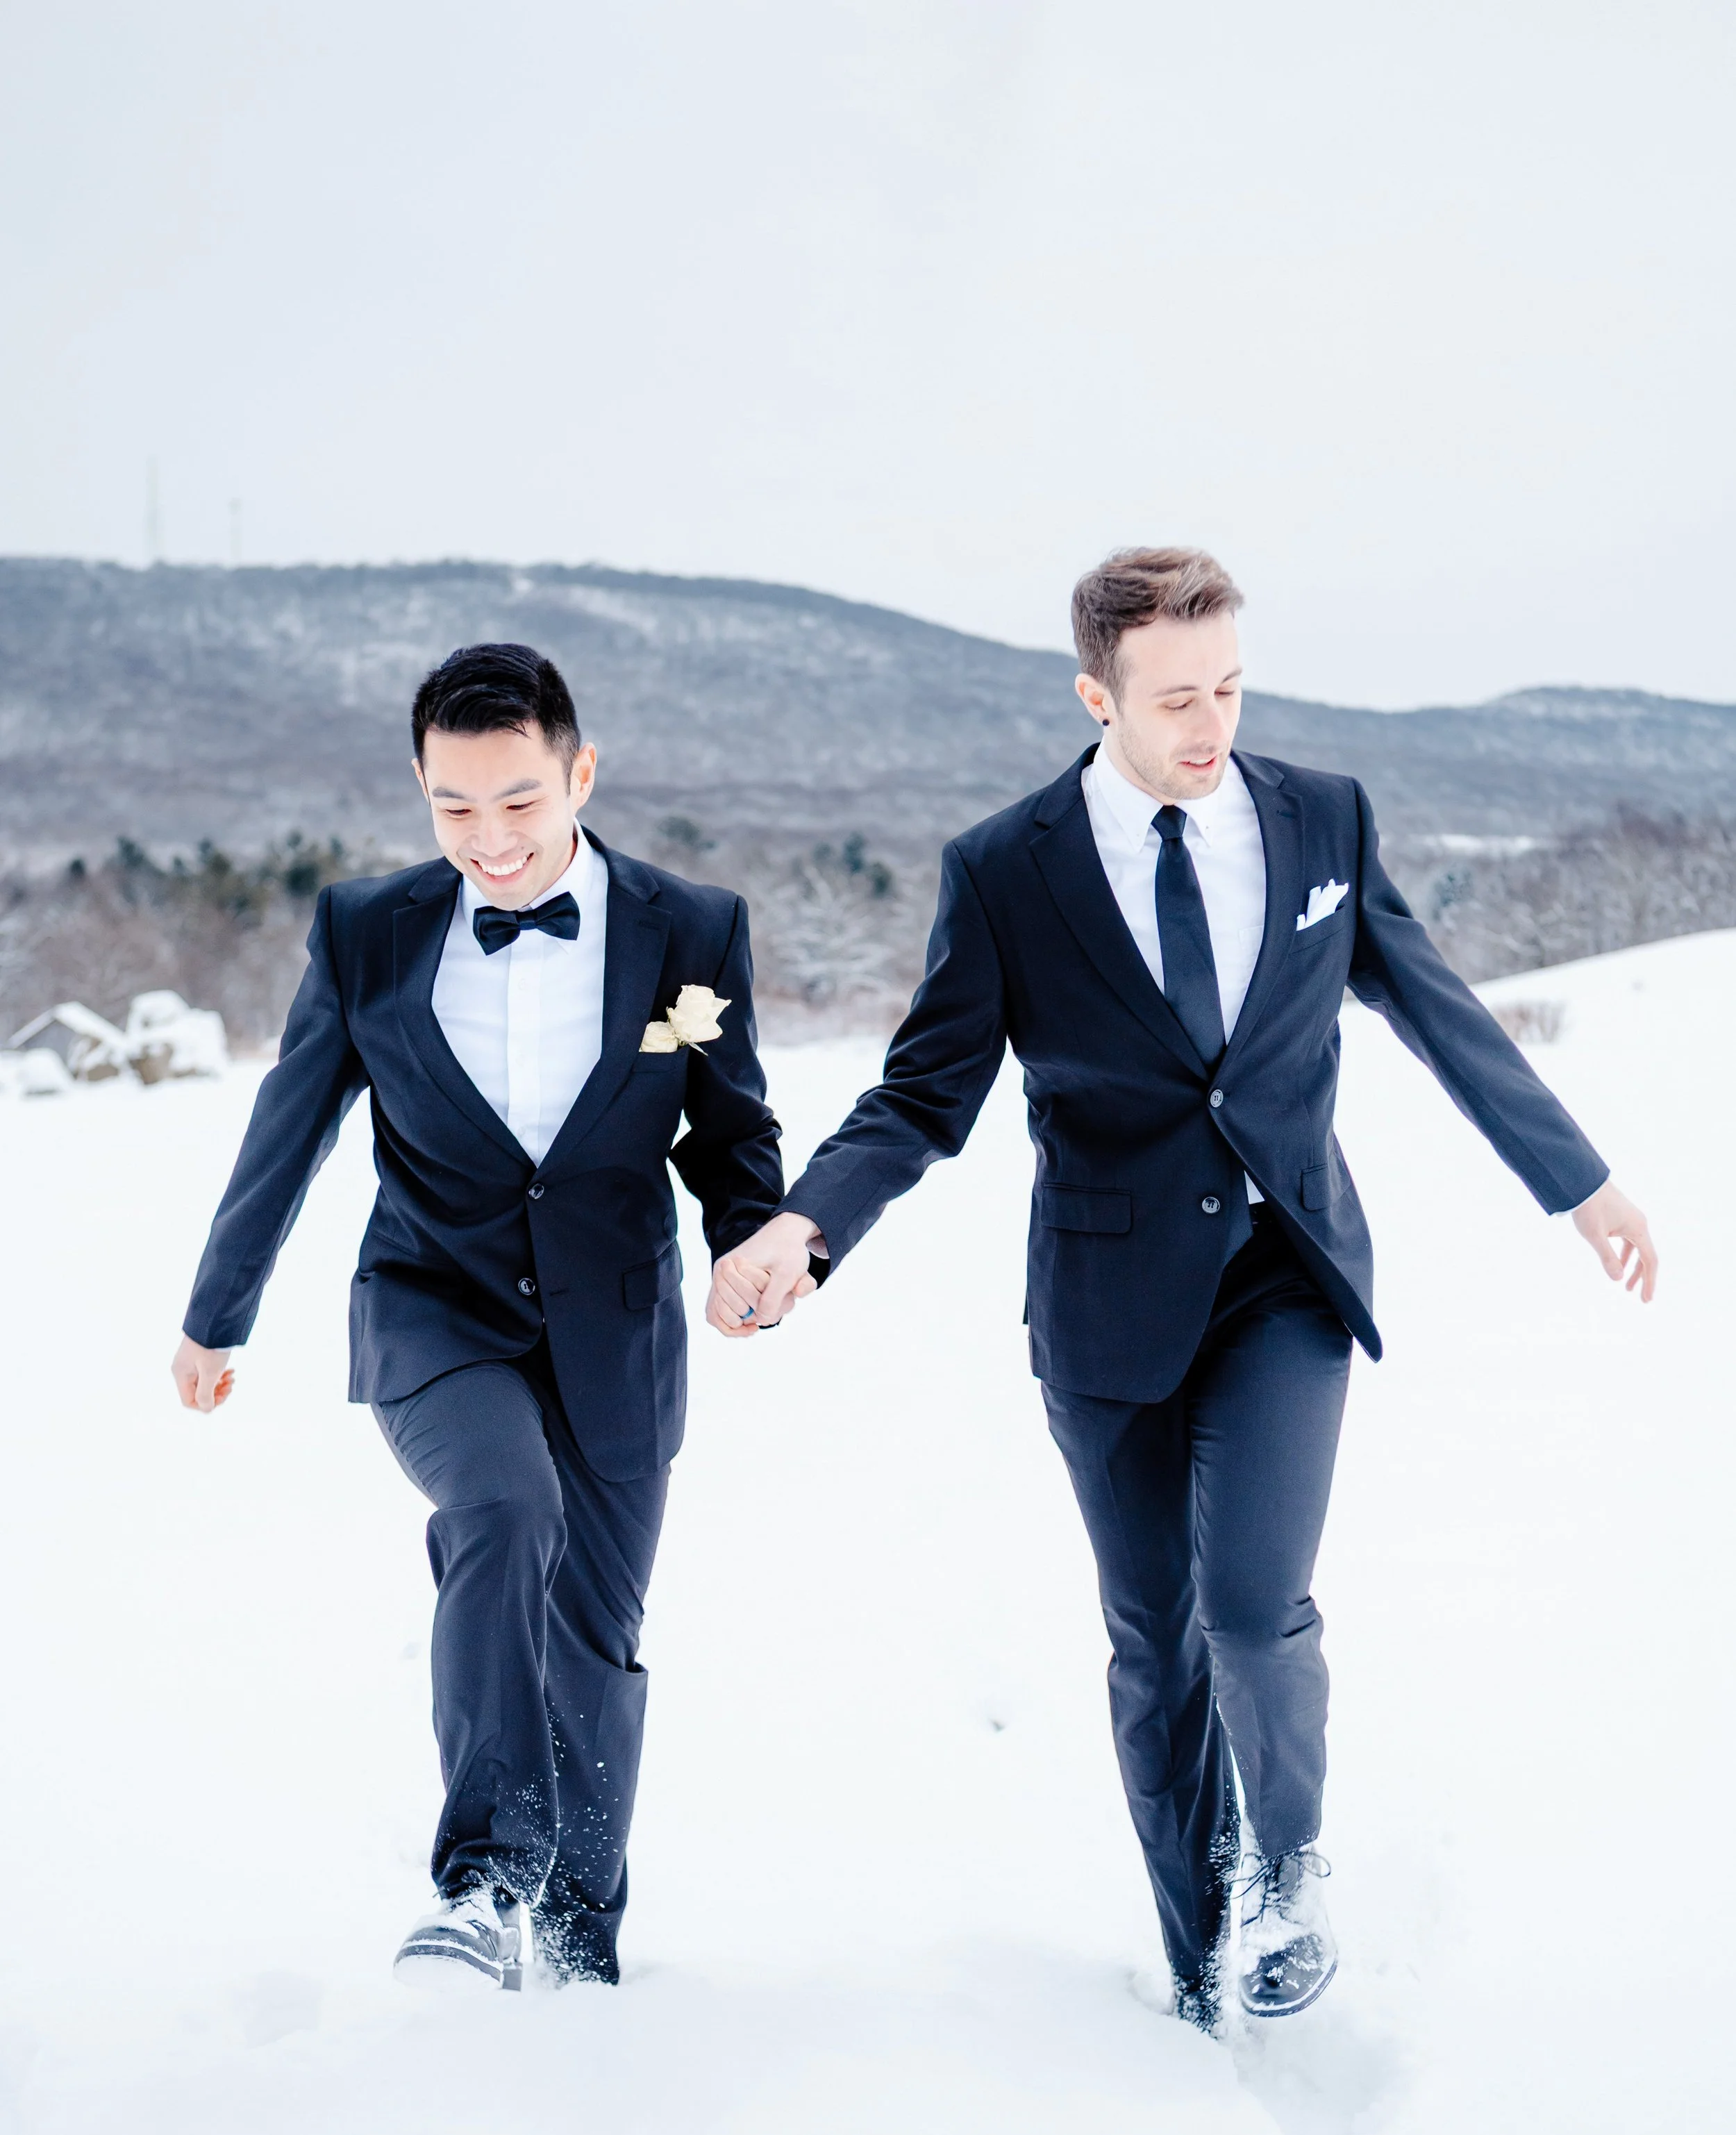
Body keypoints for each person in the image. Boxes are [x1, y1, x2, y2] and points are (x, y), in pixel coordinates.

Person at [706, 547, 1656, 2031]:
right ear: (1096, 694)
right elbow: (920, 1094)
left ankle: (1284, 1878)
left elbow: (1429, 1003)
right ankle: (1198, 1952)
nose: (1207, 723)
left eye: (1226, 686)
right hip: (1105, 1308)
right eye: (1171, 699)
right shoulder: (1007, 870)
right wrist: (802, 1230)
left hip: (1285, 1273)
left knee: (1247, 1603)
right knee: (1151, 1643)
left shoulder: (1318, 819)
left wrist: (1576, 1181)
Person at [173, 642, 785, 1990]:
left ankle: (577, 1949)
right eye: (453, 805)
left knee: (591, 1648)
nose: (488, 839)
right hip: (432, 1312)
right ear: (419, 788)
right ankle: (483, 1882)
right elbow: (289, 1133)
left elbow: (727, 1131)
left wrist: (752, 1245)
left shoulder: (688, 933)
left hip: (615, 1335)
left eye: (516, 800)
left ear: (578, 772)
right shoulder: (366, 934)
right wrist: (218, 1316)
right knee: (504, 1513)